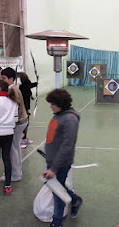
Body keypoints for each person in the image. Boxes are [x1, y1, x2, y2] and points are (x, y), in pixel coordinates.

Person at [43, 89, 83, 227]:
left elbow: (67, 146)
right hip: (52, 160)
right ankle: (75, 200)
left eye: (52, 103)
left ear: (58, 104)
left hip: (60, 163)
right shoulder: (59, 114)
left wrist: (54, 168)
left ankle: (57, 222)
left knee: (57, 193)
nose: (50, 106)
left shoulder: (70, 119)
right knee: (57, 187)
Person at [1, 67, 28, 181]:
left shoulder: (12, 90)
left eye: (4, 78)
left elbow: (14, 109)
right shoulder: (14, 88)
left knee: (13, 148)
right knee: (16, 147)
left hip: (18, 122)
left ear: (11, 79)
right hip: (21, 121)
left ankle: (15, 175)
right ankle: (16, 172)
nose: (2, 80)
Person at [19, 73, 38, 147]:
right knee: (24, 123)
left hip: (26, 107)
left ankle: (24, 137)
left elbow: (30, 87)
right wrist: (26, 110)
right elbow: (24, 99)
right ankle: (21, 139)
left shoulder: (26, 86)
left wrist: (36, 83)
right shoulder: (23, 87)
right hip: (24, 107)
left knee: (26, 123)